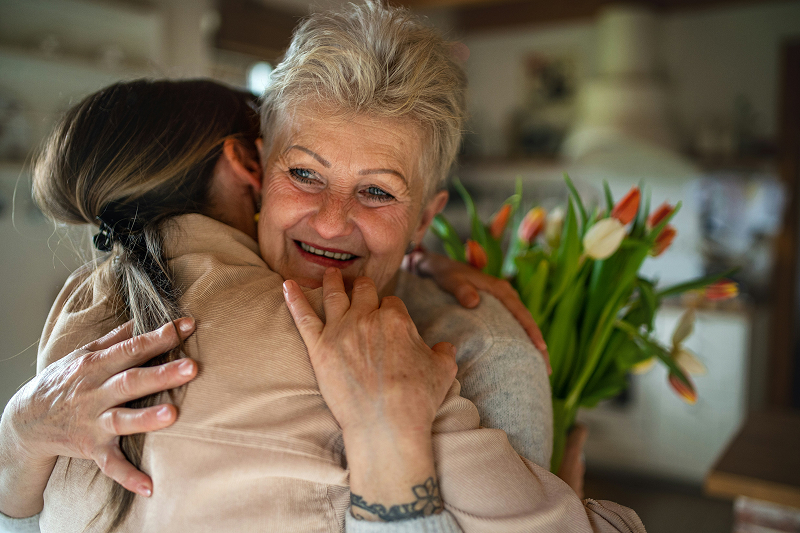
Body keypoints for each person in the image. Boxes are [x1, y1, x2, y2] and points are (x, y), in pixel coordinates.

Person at [0, 3, 643, 532]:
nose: (332, 222)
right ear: (255, 170)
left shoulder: (486, 351)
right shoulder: (164, 322)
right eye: (304, 174)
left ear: (426, 218)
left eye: (378, 191)